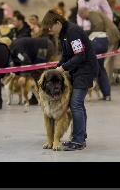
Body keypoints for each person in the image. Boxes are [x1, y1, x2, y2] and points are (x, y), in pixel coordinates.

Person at [41, 9, 98, 151]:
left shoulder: (73, 32)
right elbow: (66, 55)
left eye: (51, 26)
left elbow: (80, 56)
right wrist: (57, 67)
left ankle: (78, 141)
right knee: (78, 105)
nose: (50, 29)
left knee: (75, 104)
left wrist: (63, 68)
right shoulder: (63, 34)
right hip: (76, 70)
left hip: (85, 69)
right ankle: (81, 137)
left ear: (58, 23)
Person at [78, 7, 120, 100]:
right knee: (103, 66)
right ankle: (106, 92)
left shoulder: (92, 14)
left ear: (83, 13)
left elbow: (99, 24)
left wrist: (93, 34)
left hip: (107, 38)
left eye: (81, 16)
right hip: (109, 38)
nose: (83, 19)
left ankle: (106, 88)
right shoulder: (95, 13)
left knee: (105, 64)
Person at [9, 36, 55, 105]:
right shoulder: (14, 48)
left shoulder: (16, 49)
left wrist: (23, 76)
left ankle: (40, 98)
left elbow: (26, 61)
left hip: (44, 47)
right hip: (42, 45)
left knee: (37, 72)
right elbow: (18, 64)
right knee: (37, 72)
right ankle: (40, 97)